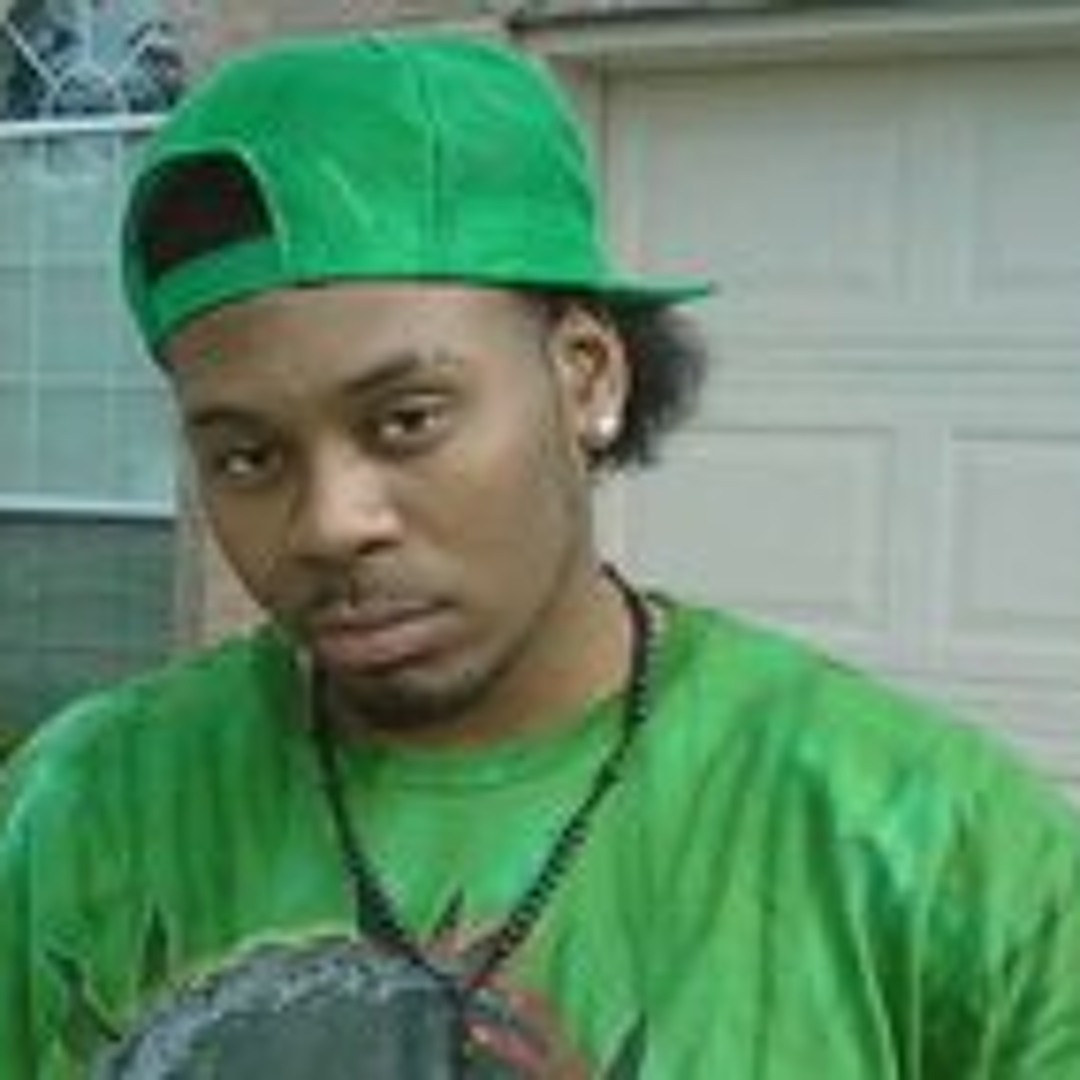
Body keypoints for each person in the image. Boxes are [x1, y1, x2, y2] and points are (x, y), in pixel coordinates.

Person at [1, 29, 1078, 1079]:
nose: (329, 522)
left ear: (587, 376)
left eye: (406, 420)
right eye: (247, 456)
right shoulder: (81, 815)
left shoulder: (945, 861)